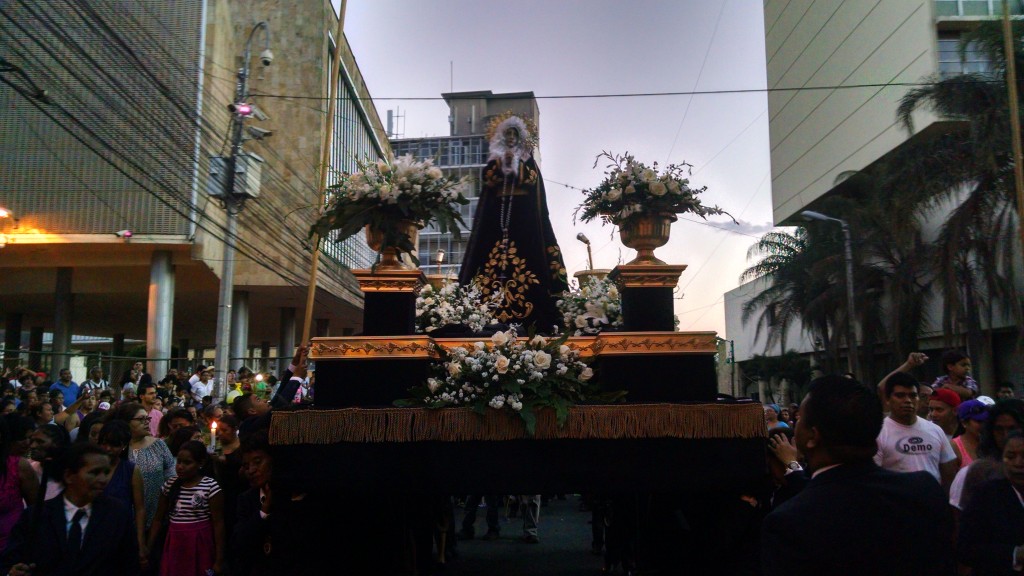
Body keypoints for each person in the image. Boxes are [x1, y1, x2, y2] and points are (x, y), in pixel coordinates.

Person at [761, 375, 954, 576]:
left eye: (800, 418)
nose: (795, 424)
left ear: (812, 436)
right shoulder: (924, 490)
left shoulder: (789, 524)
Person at [457, 113, 568, 333]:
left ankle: (532, 314)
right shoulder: (495, 159)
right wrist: (501, 166)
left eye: (513, 134)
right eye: (506, 133)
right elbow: (488, 179)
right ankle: (486, 311)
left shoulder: (527, 158)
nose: (510, 138)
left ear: (520, 137)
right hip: (496, 217)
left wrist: (516, 165)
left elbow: (532, 181)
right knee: (488, 260)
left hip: (523, 218)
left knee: (528, 259)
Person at [0, 444, 140, 575]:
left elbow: (129, 564)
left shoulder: (117, 514)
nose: (103, 479)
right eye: (94, 473)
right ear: (69, 476)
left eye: (106, 472)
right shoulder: (37, 516)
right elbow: (10, 560)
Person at [147, 440, 225, 576]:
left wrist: (219, 559)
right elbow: (158, 519)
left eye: (187, 463)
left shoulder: (210, 486)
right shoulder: (170, 485)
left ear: (200, 463)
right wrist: (148, 547)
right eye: (179, 462)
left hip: (199, 542)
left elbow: (218, 524)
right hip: (176, 541)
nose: (180, 467)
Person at [874, 372, 958, 489]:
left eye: (913, 395)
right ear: (888, 400)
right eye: (900, 396)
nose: (908, 400)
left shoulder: (935, 430)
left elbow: (948, 473)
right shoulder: (879, 433)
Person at [957, 430, 1024, 575]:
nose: (1018, 463)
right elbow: (965, 548)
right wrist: (1014, 554)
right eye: (1011, 456)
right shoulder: (985, 494)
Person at [110, 402, 175, 532]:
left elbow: (171, 475)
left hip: (157, 515)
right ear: (126, 422)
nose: (146, 422)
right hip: (123, 517)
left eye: (147, 418)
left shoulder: (159, 445)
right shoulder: (118, 449)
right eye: (141, 419)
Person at [97, 420, 147, 568]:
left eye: (114, 445)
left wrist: (140, 542)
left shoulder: (131, 470)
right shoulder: (90, 467)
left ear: (124, 446)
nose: (107, 449)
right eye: (104, 443)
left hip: (120, 536)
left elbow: (139, 509)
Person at [0, 417, 37, 551]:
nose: (28, 444)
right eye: (23, 438)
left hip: (9, 549)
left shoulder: (18, 466)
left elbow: (36, 510)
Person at [953, 399, 988, 469]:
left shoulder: (993, 443)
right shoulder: (954, 447)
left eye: (986, 420)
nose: (983, 425)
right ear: (964, 423)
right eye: (979, 421)